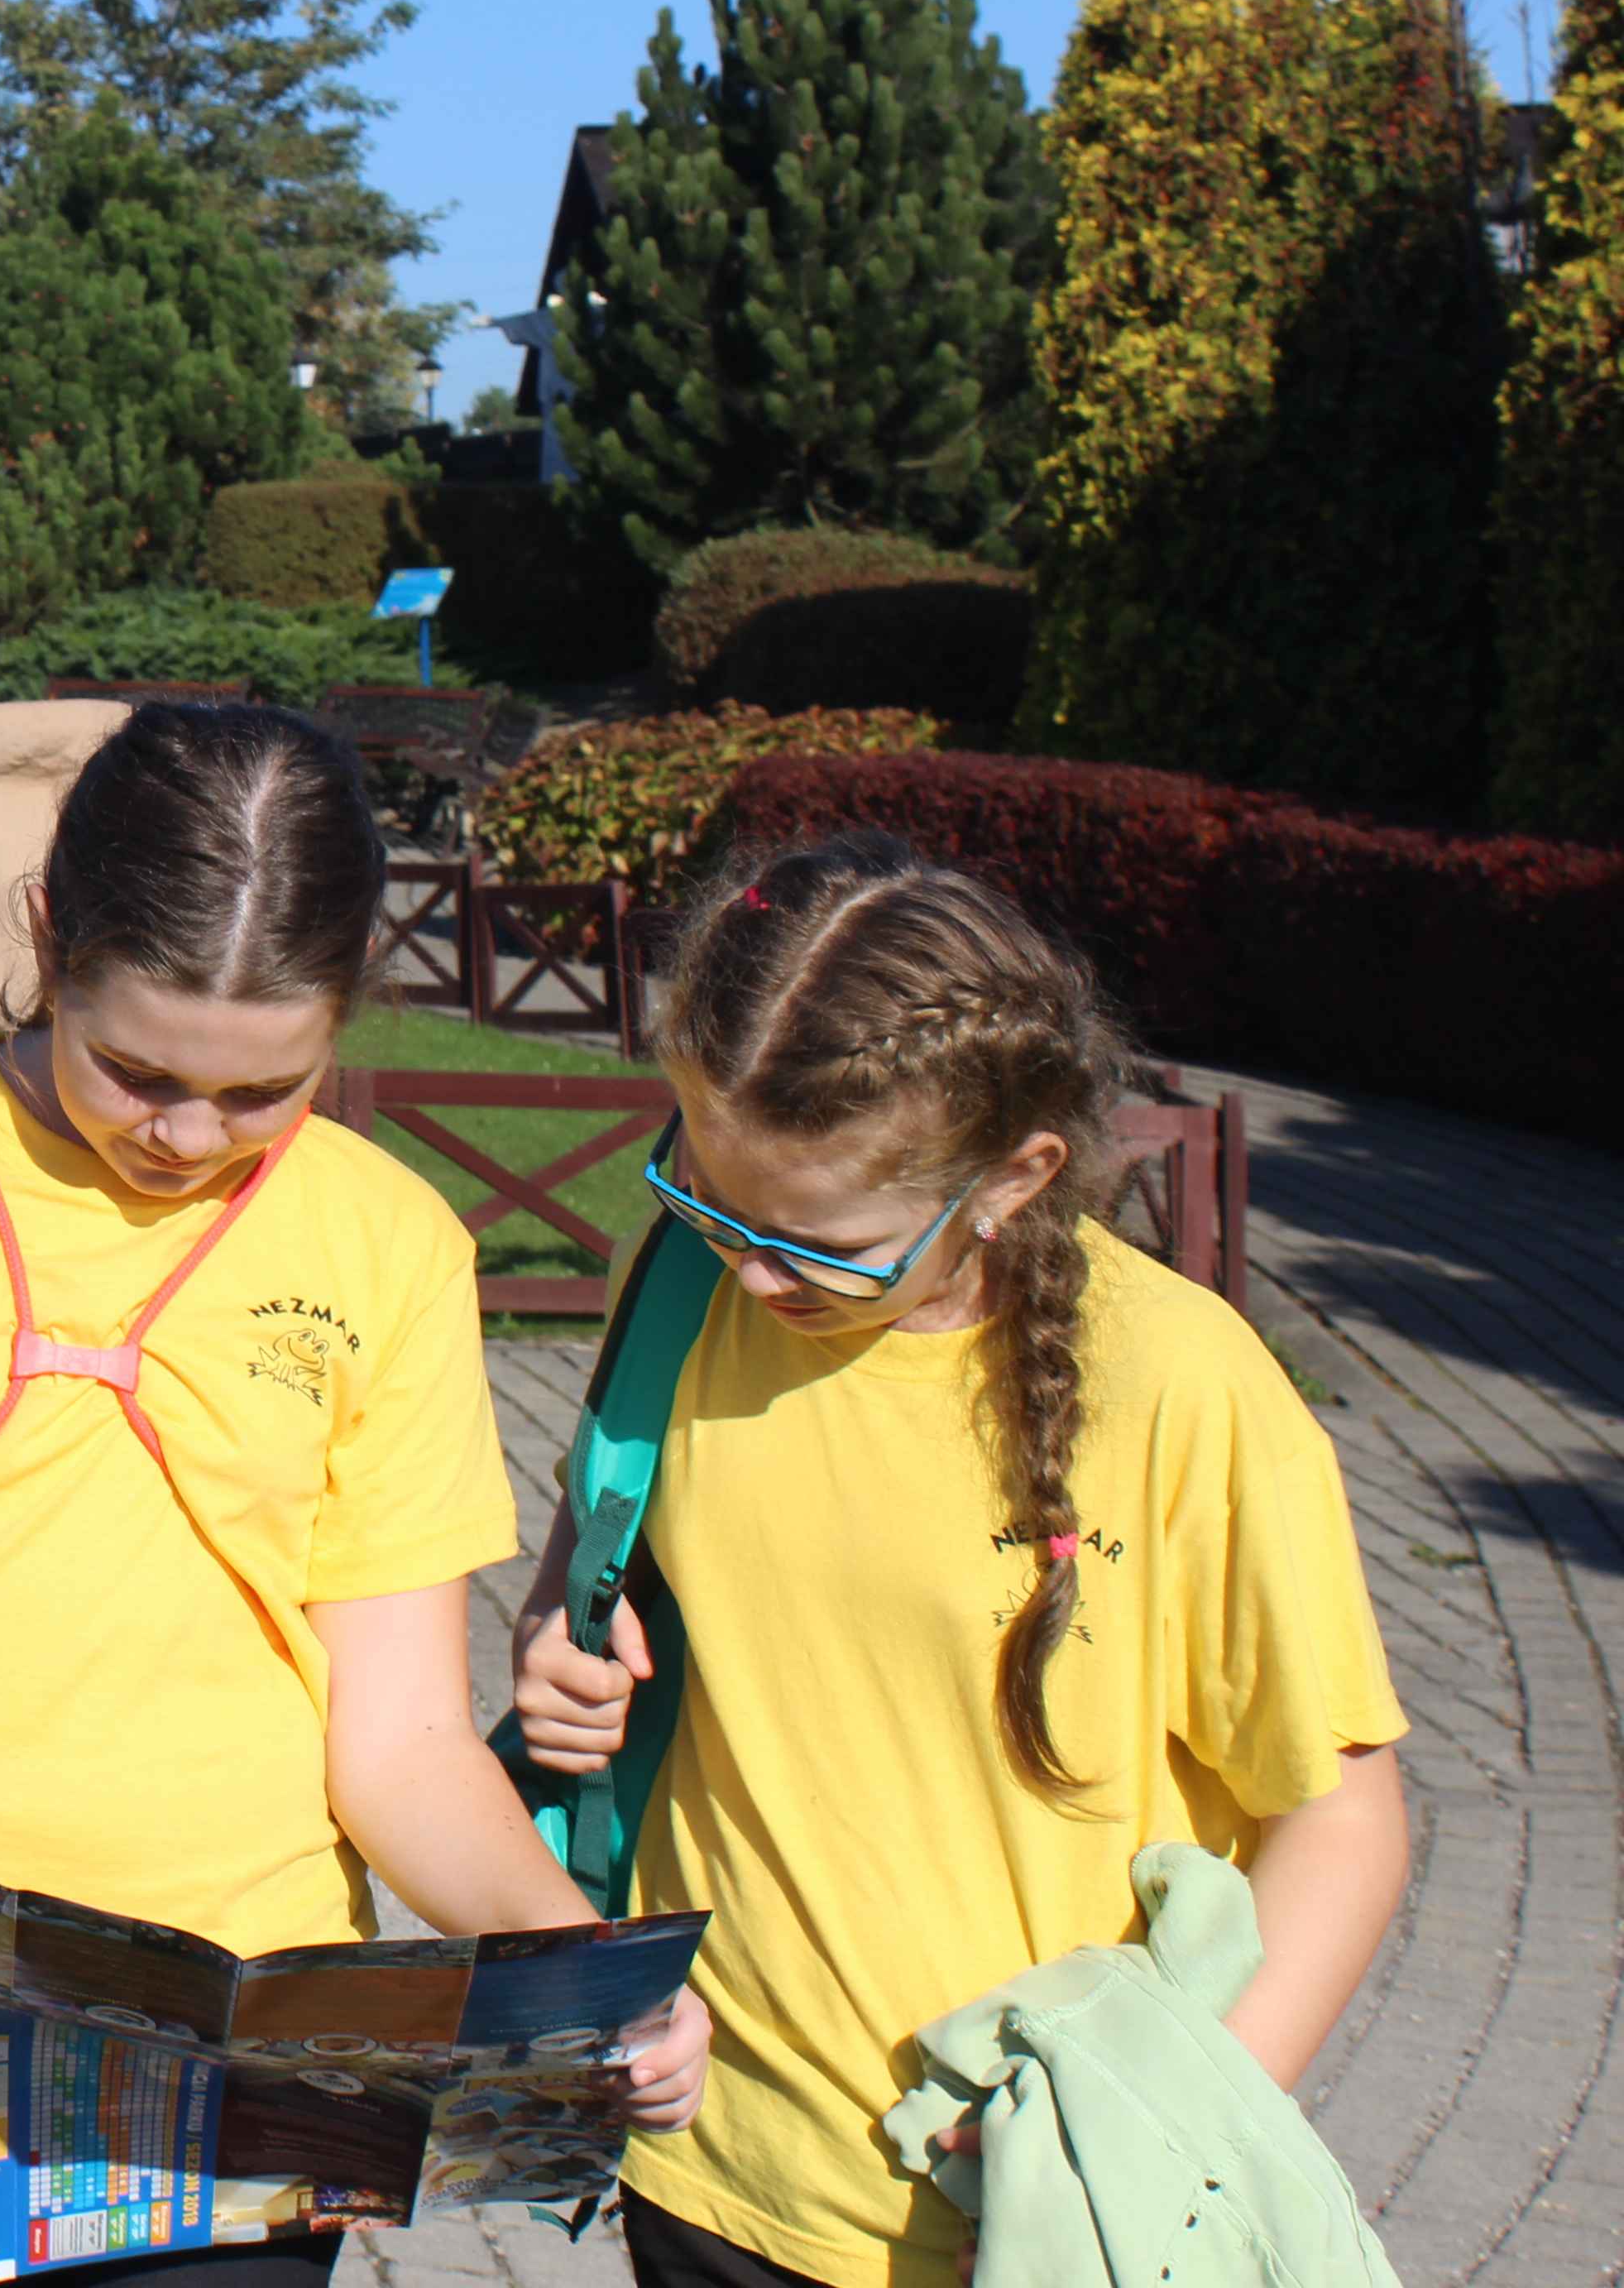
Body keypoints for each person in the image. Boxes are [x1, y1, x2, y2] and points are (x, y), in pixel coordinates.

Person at [0, 703, 711, 2287]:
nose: (187, 1138)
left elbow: (401, 1740)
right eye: (135, 1071)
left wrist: (581, 1968)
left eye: (265, 1093)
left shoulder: (391, 1246)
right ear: (49, 939)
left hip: (238, 2073)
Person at [510, 837, 1410, 2288]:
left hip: (1030, 2216)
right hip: (709, 2166)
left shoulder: (1186, 1386)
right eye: (706, 1198)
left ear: (1013, 1176)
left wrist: (1162, 2142)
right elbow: (604, 1551)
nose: (751, 1272)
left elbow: (1344, 1820)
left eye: (825, 1243)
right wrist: (557, 1641)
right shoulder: (680, 1287)